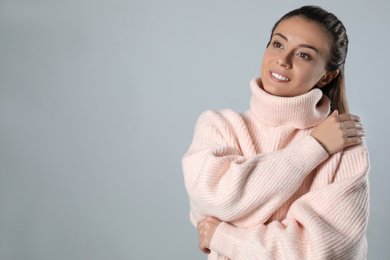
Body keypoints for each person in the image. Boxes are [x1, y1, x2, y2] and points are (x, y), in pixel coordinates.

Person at [181, 5, 370, 260]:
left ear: (327, 77)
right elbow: (215, 200)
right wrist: (312, 148)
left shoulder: (344, 146)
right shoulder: (218, 126)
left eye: (304, 55)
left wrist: (225, 237)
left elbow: (318, 250)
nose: (283, 59)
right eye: (278, 44)